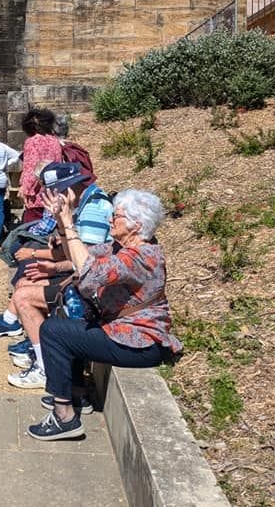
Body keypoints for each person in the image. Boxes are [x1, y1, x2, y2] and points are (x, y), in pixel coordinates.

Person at [26, 188, 183, 441]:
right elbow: (80, 258)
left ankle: (64, 416)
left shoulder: (141, 257)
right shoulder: (120, 247)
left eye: (116, 216)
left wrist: (69, 223)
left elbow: (90, 276)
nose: (111, 219)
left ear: (136, 225)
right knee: (69, 324)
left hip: (140, 342)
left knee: (53, 331)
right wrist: (62, 224)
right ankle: (76, 393)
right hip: (126, 334)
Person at [2, 163, 113, 389]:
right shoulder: (82, 203)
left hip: (91, 286)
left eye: (56, 191)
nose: (54, 196)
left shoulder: (93, 208)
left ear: (71, 188)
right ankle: (36, 348)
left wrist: (54, 268)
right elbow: (76, 252)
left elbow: (85, 263)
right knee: (26, 281)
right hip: (82, 277)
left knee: (24, 296)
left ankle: (45, 368)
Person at [18, 109, 63, 222]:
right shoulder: (55, 141)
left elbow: (31, 168)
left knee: (32, 232)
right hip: (54, 193)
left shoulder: (32, 141)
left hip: (37, 196)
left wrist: (25, 190)